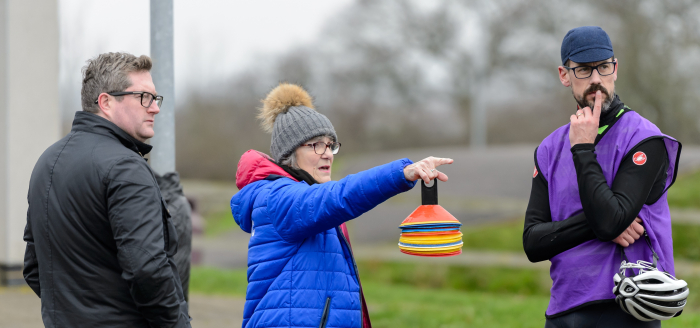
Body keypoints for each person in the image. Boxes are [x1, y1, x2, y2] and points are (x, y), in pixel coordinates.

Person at [231, 83, 453, 328]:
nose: (327, 153)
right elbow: (339, 196)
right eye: (316, 144)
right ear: (289, 154)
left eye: (331, 144)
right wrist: (402, 173)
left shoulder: (306, 196)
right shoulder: (277, 198)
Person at [522, 26, 681, 327]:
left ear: (615, 69)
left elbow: (610, 220)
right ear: (564, 75)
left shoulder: (645, 138)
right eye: (583, 70)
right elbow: (533, 243)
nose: (596, 79)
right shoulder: (548, 148)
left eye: (603, 67)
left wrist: (582, 149)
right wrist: (602, 224)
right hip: (564, 310)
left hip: (629, 308)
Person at [23, 52, 192, 327]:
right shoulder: (126, 168)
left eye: (155, 98)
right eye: (144, 97)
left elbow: (34, 268)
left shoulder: (47, 162)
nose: (155, 108)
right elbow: (147, 270)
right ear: (106, 102)